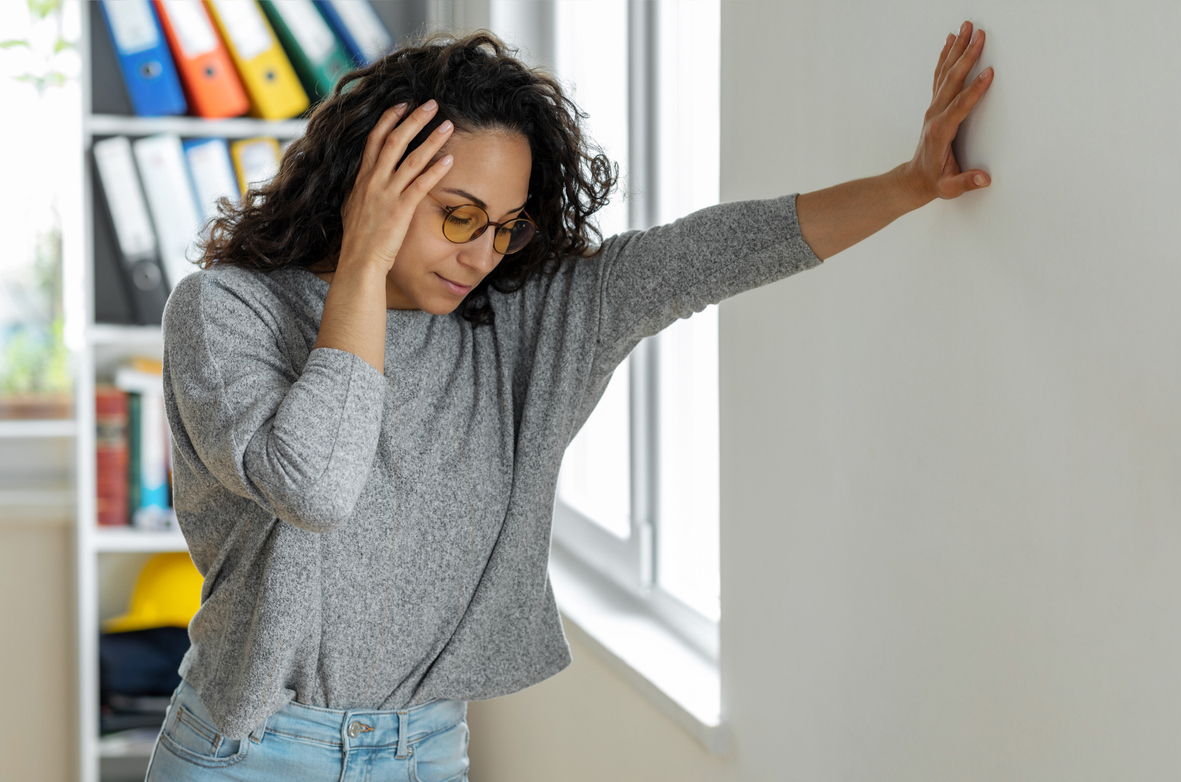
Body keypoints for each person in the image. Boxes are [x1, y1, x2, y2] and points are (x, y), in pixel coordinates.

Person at [148, 23, 993, 782]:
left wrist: (908, 183)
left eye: (505, 224)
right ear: (372, 186)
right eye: (457, 215)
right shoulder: (226, 312)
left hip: (423, 755)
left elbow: (703, 254)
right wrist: (363, 265)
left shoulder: (518, 325)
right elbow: (315, 487)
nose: (483, 251)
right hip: (247, 754)